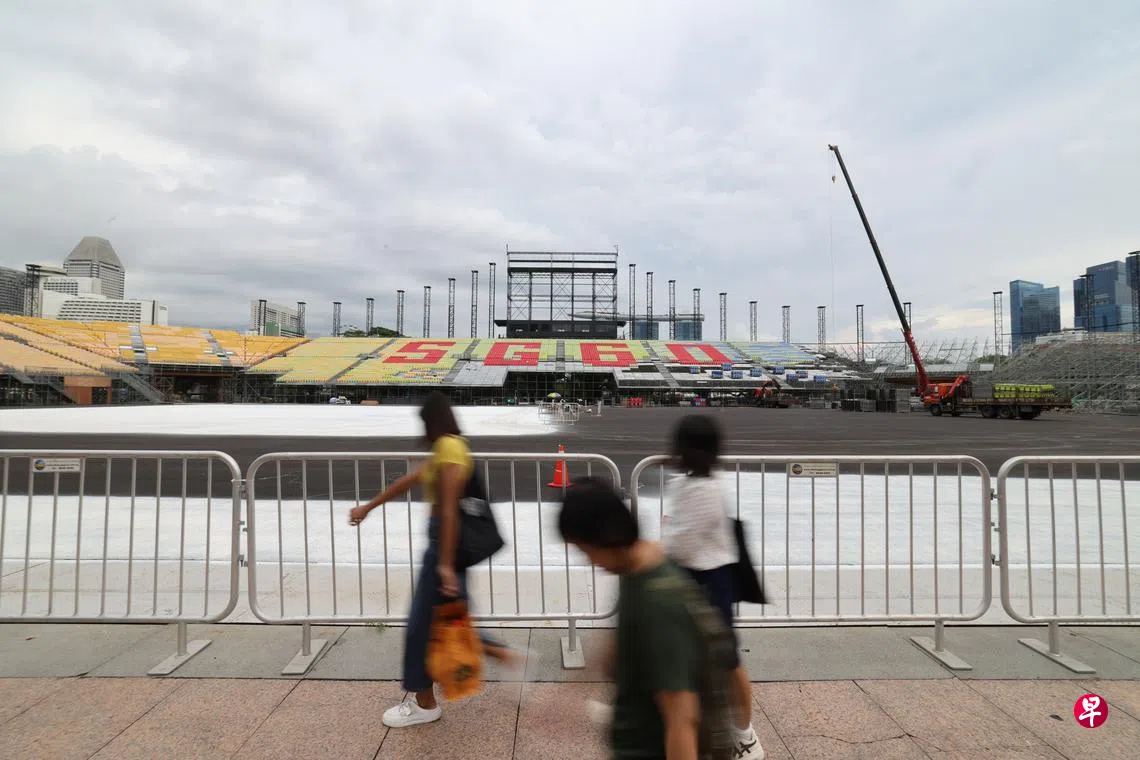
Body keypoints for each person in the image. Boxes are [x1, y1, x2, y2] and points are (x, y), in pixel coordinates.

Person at [349, 391, 518, 728]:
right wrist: (368, 507)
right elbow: (408, 482)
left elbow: (450, 510)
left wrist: (443, 563)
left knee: (421, 627)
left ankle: (426, 703)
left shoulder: (450, 449)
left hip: (444, 546)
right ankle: (506, 657)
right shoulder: (447, 448)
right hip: (445, 546)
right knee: (451, 618)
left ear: (431, 422)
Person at [558, 477, 746, 760]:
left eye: (587, 551)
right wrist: (571, 694)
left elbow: (681, 719)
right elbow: (619, 642)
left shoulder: (659, 602)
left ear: (607, 537)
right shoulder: (636, 567)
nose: (590, 561)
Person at [662, 415, 763, 759]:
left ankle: (745, 737)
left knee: (727, 658)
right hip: (698, 578)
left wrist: (658, 547)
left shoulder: (706, 489)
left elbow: (682, 545)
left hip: (710, 582)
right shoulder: (694, 481)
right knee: (691, 655)